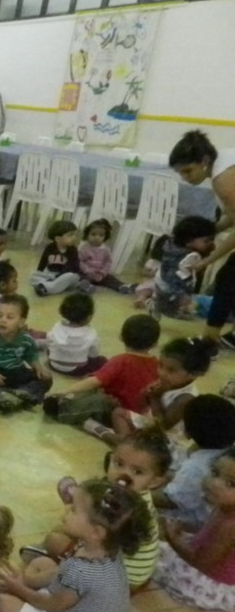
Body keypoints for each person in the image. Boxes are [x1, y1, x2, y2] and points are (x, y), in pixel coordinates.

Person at [0, 480, 152, 612]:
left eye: (74, 509)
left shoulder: (79, 569)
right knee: (42, 563)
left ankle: (23, 599)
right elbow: (63, 575)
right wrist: (26, 582)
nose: (67, 509)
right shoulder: (108, 552)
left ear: (96, 532)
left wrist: (18, 589)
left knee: (3, 603)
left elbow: (54, 605)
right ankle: (27, 589)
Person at [25, 429, 170, 592]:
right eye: (119, 463)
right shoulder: (135, 496)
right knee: (64, 528)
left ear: (154, 481)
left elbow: (93, 536)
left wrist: (77, 508)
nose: (123, 474)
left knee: (54, 539)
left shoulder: (126, 505)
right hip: (130, 573)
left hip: (116, 581)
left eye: (137, 472)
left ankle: (59, 568)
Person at [167, 131, 235, 347]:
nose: (185, 178)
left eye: (188, 170)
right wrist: (206, 232)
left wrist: (207, 260)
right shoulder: (223, 162)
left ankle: (208, 342)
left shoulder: (223, 178)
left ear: (204, 161)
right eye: (181, 173)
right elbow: (232, 215)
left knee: (228, 280)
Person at [89, 337, 212, 449]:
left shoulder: (185, 398)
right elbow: (139, 405)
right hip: (150, 424)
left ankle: (112, 437)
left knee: (136, 442)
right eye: (161, 365)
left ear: (193, 374)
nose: (162, 373)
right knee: (118, 412)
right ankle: (126, 441)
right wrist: (145, 392)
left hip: (166, 439)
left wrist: (155, 397)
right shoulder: (168, 382)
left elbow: (162, 427)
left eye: (171, 370)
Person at [43, 314, 160, 427]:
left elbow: (95, 381)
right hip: (139, 414)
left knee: (90, 398)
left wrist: (66, 390)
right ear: (155, 344)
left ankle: (62, 410)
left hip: (114, 411)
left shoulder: (121, 361)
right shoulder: (157, 364)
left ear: (121, 337)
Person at [156, 448, 235, 611]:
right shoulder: (224, 507)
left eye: (231, 484)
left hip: (208, 581)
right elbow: (207, 534)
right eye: (215, 473)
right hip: (201, 558)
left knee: (150, 556)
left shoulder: (230, 524)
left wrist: (173, 538)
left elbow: (201, 562)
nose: (215, 483)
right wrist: (181, 532)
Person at [152, 395, 235, 531]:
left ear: (187, 433)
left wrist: (141, 491)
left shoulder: (194, 467)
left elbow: (171, 500)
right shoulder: (228, 454)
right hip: (207, 515)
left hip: (190, 522)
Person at [0, 294, 52, 413]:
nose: (3, 320)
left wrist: (37, 366)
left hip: (17, 372)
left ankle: (25, 393)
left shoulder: (26, 339)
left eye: (10, 317)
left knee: (46, 378)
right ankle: (1, 396)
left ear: (21, 322)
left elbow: (31, 355)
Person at [147, 216, 217, 320]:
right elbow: (173, 278)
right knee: (170, 303)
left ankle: (159, 306)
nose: (210, 243)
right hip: (170, 286)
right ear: (189, 242)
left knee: (167, 302)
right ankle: (156, 306)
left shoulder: (175, 247)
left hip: (165, 282)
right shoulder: (180, 258)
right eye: (206, 241)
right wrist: (181, 295)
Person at [46, 294, 106, 376]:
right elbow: (94, 354)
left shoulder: (57, 327)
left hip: (53, 364)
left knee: (51, 348)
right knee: (102, 360)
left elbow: (49, 342)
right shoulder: (91, 333)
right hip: (77, 369)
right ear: (89, 317)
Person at [31, 220, 89, 297]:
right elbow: (43, 260)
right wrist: (40, 271)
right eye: (70, 235)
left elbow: (72, 267)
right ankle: (52, 284)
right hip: (52, 274)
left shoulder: (72, 250)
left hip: (66, 275)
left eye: (75, 234)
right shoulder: (50, 247)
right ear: (58, 239)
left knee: (69, 276)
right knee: (32, 276)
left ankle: (47, 288)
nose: (74, 237)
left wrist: (58, 276)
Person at [78, 219, 133, 293]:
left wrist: (102, 273)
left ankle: (121, 287)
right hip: (87, 273)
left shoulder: (106, 249)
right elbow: (80, 261)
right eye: (93, 234)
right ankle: (87, 287)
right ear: (87, 235)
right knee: (79, 277)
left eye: (101, 235)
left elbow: (108, 262)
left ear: (105, 237)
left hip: (100, 274)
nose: (97, 238)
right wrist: (88, 271)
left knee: (110, 278)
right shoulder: (84, 248)